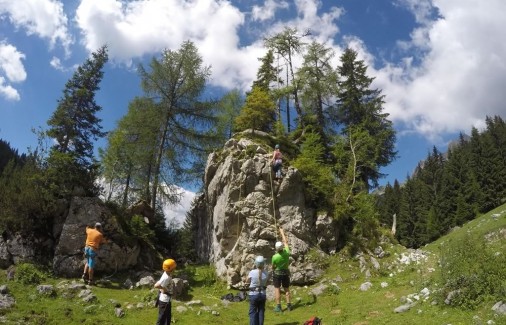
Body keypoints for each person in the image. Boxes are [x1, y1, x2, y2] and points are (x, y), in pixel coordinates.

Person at [271, 227, 292, 312]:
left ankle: (278, 307)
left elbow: (273, 267)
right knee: (287, 289)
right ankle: (289, 306)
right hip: (286, 273)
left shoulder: (275, 257)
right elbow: (285, 242)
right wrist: (282, 232)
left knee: (277, 289)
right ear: (282, 247)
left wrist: (274, 268)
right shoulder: (287, 252)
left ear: (276, 249)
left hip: (277, 274)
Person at [245, 256, 269, 325]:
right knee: (261, 311)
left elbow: (247, 281)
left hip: (253, 294)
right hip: (262, 294)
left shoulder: (252, 272)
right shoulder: (266, 273)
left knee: (252, 312)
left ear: (256, 263)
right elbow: (266, 282)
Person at [154, 258, 176, 325]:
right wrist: (163, 289)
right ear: (171, 268)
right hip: (164, 301)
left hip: (167, 300)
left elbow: (161, 282)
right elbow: (156, 285)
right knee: (162, 318)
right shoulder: (166, 277)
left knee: (167, 317)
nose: (175, 269)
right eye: (174, 267)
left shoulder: (167, 273)